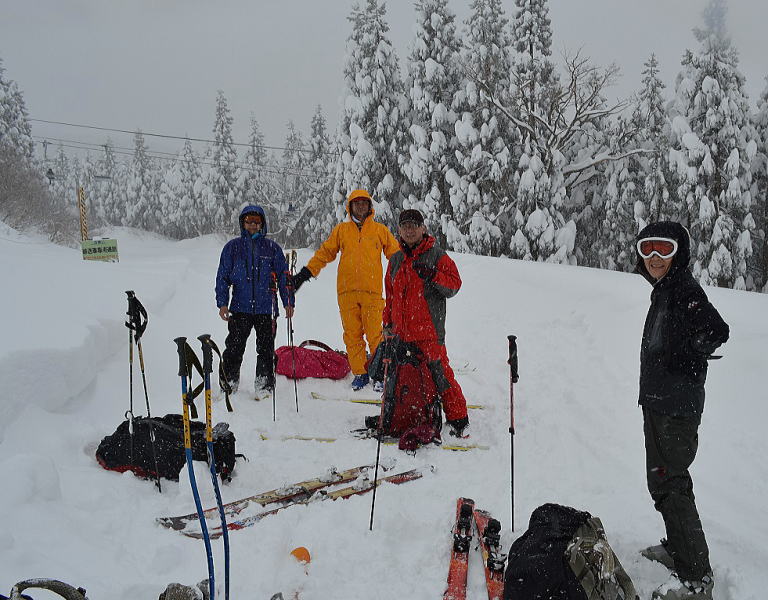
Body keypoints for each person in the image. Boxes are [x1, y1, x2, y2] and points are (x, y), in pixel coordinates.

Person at [634, 221, 729, 600]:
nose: (655, 258)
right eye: (648, 250)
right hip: (661, 404)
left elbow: (716, 330)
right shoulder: (665, 291)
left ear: (679, 253)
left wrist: (691, 353)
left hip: (675, 409)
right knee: (663, 481)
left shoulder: (685, 290)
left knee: (671, 483)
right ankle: (679, 549)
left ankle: (698, 577)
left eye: (664, 250)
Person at [291, 189, 400, 391]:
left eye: (364, 203)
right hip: (347, 293)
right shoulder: (342, 230)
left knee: (375, 334)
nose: (360, 206)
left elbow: (396, 255)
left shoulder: (379, 230)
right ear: (350, 207)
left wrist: (409, 272)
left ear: (369, 206)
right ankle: (360, 373)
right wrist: (305, 274)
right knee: (352, 335)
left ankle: (379, 374)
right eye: (356, 203)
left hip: (372, 293)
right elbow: (325, 253)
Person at [381, 208, 469, 437]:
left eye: (414, 225)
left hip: (429, 332)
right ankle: (398, 414)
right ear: (399, 230)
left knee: (441, 375)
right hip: (401, 332)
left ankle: (458, 416)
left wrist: (432, 275)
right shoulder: (396, 260)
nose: (409, 230)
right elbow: (390, 295)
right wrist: (387, 324)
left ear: (423, 229)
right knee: (398, 377)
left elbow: (454, 285)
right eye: (405, 226)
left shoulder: (437, 255)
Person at [215, 205, 294, 397]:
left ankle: (264, 385)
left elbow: (284, 278)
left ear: (262, 224)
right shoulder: (232, 248)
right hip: (239, 308)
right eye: (249, 221)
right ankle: (228, 383)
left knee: (266, 350)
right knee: (234, 348)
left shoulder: (272, 248)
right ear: (243, 222)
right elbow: (222, 277)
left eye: (256, 222)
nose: (252, 225)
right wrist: (222, 303)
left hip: (265, 309)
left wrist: (288, 301)